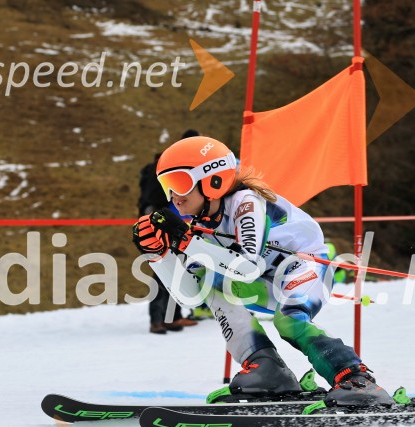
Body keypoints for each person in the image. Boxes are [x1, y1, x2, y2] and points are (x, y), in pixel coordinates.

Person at [132, 136, 394, 407]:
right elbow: (191, 296)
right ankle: (266, 368)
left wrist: (187, 243)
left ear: (213, 180)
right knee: (209, 282)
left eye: (179, 183)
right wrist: (158, 255)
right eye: (167, 186)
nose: (173, 195)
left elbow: (246, 267)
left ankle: (355, 378)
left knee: (289, 321)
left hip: (306, 267)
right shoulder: (198, 230)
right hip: (266, 281)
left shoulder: (246, 202)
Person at [138, 149, 196, 334]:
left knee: (175, 271)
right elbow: (156, 199)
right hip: (162, 226)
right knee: (164, 272)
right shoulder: (160, 174)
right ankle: (158, 320)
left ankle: (172, 317)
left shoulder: (156, 172)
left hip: (168, 225)